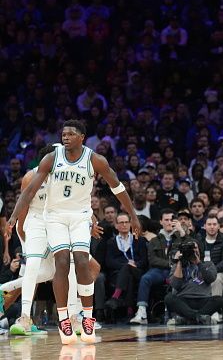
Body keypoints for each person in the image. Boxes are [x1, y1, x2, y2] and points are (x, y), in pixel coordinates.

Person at [7, 120, 141, 344]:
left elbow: (117, 186)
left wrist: (133, 215)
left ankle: (86, 317)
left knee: (81, 261)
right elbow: (29, 191)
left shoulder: (94, 160)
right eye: (63, 134)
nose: (65, 137)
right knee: (60, 262)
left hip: (80, 216)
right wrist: (13, 217)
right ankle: (63, 320)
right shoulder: (50, 159)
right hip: (54, 216)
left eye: (70, 134)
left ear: (81, 137)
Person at [4, 144, 102, 336]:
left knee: (63, 268)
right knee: (32, 264)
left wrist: (89, 221)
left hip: (58, 220)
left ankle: (74, 317)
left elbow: (76, 201)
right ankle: (24, 318)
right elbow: (24, 207)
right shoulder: (31, 177)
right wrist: (23, 235)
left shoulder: (66, 173)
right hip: (35, 221)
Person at [165, 240, 223, 325]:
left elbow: (210, 278)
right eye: (189, 249)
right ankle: (199, 318)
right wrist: (179, 263)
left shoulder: (208, 264)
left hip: (203, 300)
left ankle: (187, 319)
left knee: (219, 300)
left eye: (194, 248)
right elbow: (175, 285)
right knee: (169, 298)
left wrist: (198, 263)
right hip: (184, 301)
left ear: (199, 250)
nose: (193, 250)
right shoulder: (178, 265)